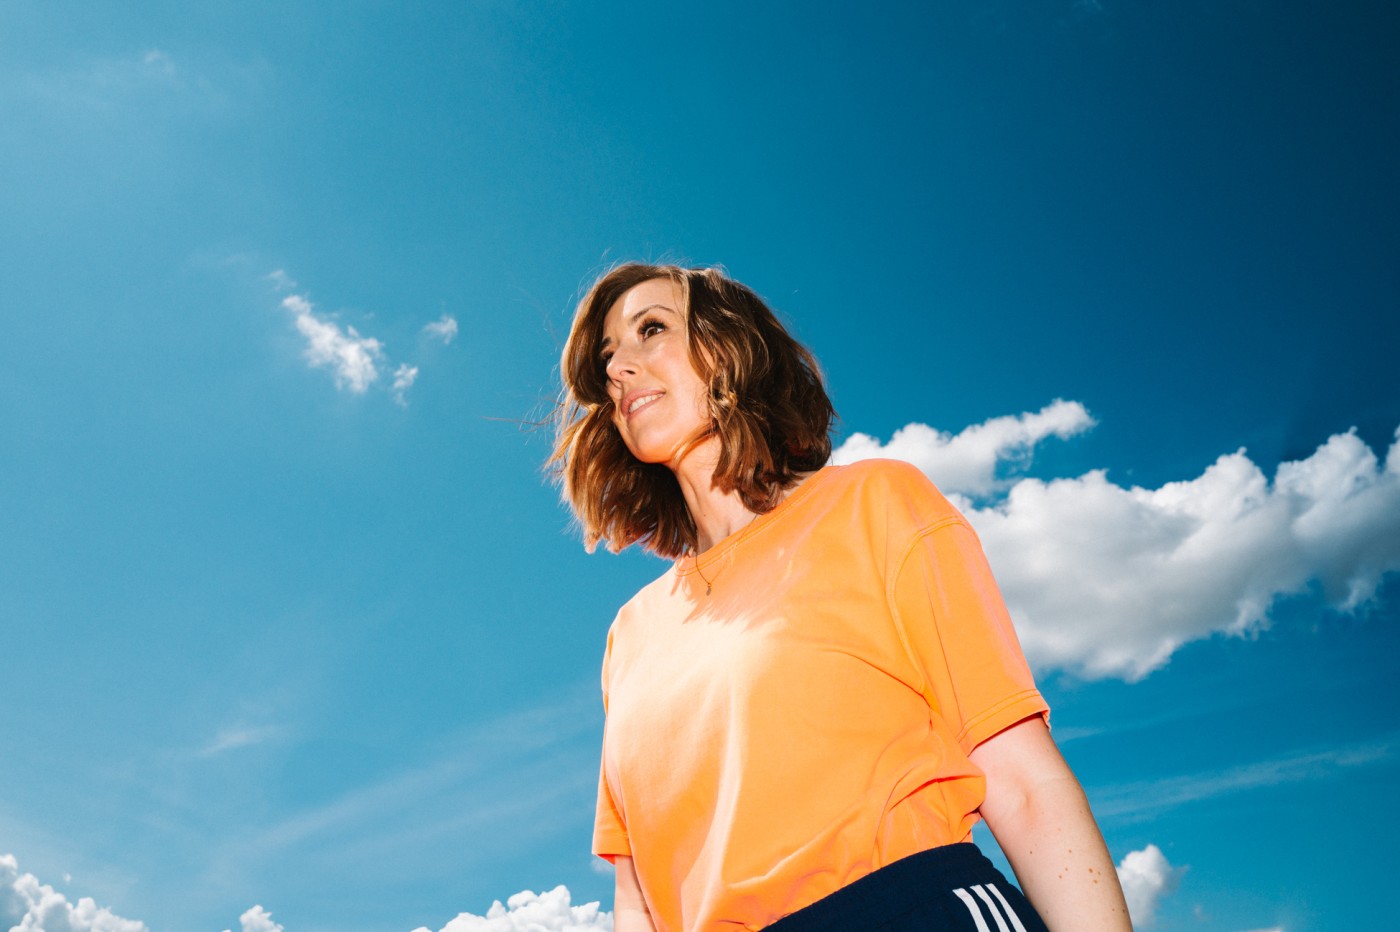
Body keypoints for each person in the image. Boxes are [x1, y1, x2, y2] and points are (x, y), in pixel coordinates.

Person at [551, 263, 1132, 932]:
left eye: (651, 329)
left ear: (733, 346)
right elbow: (637, 898)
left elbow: (1021, 781)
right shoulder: (631, 636)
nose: (618, 367)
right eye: (607, 357)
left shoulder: (875, 503)